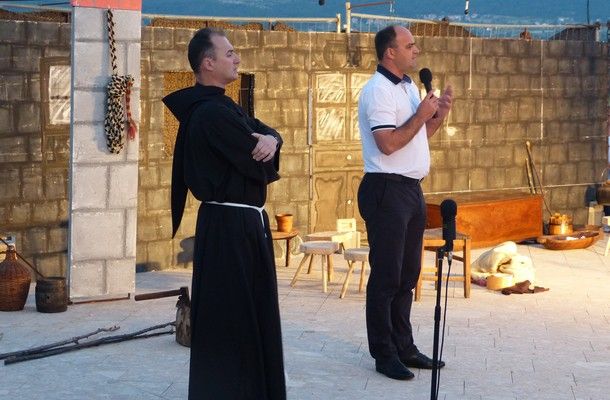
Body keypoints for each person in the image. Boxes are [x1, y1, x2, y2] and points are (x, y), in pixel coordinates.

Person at [162, 28, 286, 399]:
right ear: (208, 63)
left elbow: (263, 132)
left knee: (243, 314)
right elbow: (260, 164)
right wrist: (268, 143)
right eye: (229, 53)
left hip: (236, 225)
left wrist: (272, 138)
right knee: (233, 318)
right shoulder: (212, 114)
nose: (237, 58)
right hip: (231, 229)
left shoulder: (222, 106)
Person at [357, 25, 453, 381]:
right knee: (387, 275)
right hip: (386, 189)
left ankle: (404, 346)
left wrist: (438, 115)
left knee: (408, 274)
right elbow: (388, 144)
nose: (417, 50)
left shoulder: (410, 86)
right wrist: (421, 115)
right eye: (410, 45)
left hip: (411, 190)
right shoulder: (377, 91)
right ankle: (384, 353)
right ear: (390, 52)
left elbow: (418, 136)